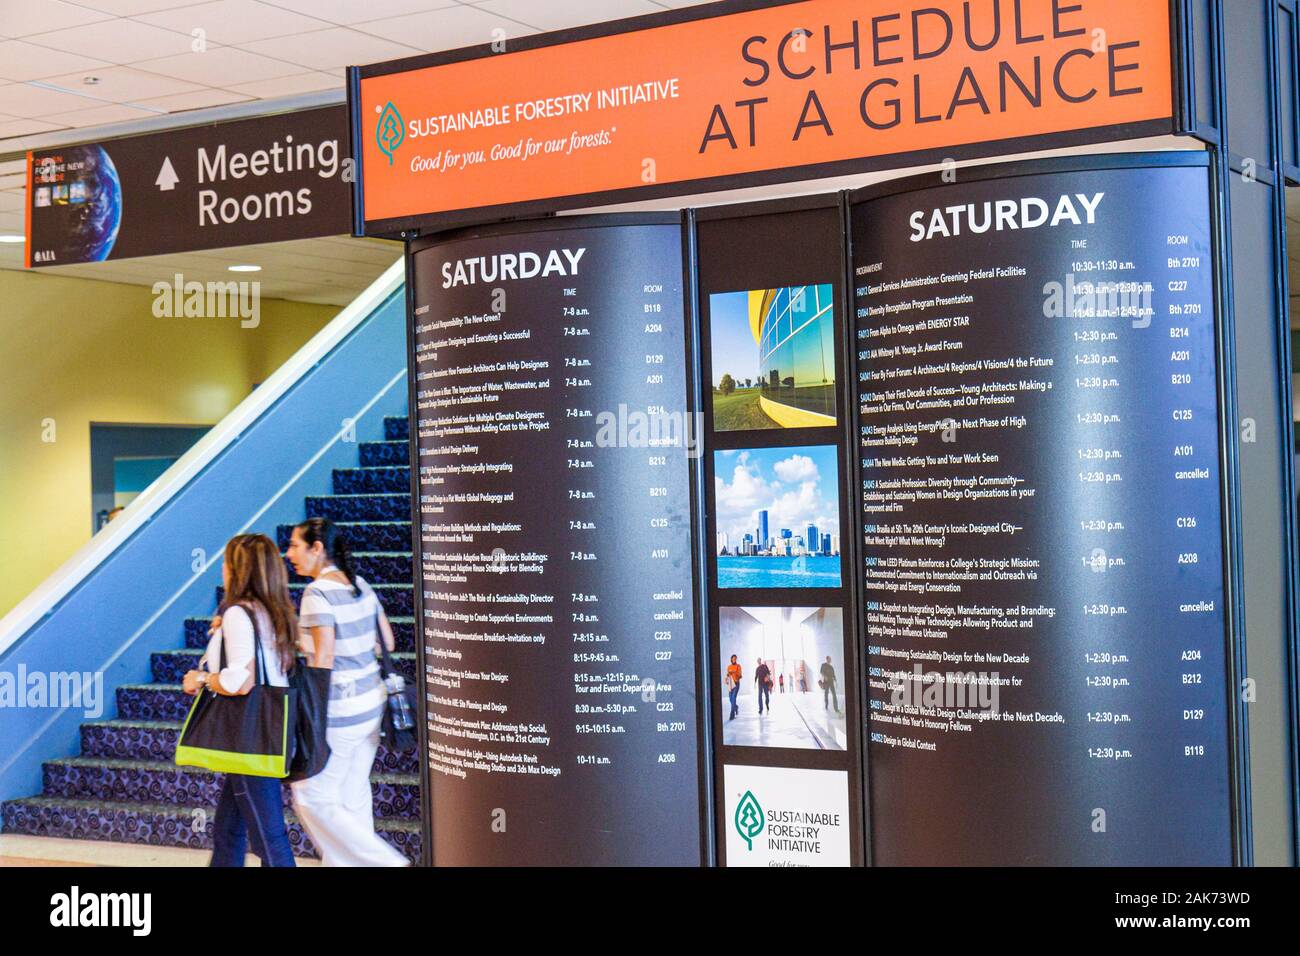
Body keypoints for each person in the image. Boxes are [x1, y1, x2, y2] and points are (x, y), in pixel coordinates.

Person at [286, 517, 408, 867]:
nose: (290, 553)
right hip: (373, 704)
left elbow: (323, 657)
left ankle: (387, 862)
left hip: (340, 709)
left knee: (312, 796)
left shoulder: (317, 593)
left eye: (296, 546)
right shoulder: (361, 585)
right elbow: (387, 640)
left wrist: (311, 714)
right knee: (353, 793)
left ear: (317, 548)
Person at [182, 534, 298, 868]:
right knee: (228, 829)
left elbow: (241, 680)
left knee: (268, 837)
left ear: (238, 568)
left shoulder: (238, 614)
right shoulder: (272, 611)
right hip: (267, 728)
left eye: (226, 561)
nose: (221, 567)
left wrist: (201, 679)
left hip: (249, 734)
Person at [725, 655, 742, 720]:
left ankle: (732, 714)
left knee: (734, 697)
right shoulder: (729, 667)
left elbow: (740, 675)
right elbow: (728, 675)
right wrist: (727, 676)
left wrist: (734, 673)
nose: (734, 659)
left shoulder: (738, 666)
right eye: (733, 658)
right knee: (730, 699)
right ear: (731, 659)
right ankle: (736, 707)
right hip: (730, 684)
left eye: (735, 659)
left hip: (736, 683)